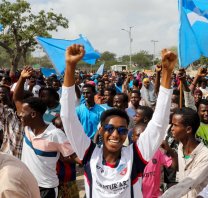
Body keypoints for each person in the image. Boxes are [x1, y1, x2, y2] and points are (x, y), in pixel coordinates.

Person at [60, 44, 175, 197]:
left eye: (121, 130)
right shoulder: (89, 153)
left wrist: (167, 74)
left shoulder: (135, 155)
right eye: (109, 128)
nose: (115, 134)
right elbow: (67, 118)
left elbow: (159, 125)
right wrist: (70, 65)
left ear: (126, 132)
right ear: (101, 130)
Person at [13, 66, 75, 198]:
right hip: (25, 186)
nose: (20, 115)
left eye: (23, 113)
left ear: (34, 114)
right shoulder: (27, 128)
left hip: (46, 190)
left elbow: (76, 157)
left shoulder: (56, 134)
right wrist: (22, 78)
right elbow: (17, 99)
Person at [162, 107, 208, 198]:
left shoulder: (205, 156)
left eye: (175, 125)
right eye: (172, 124)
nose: (172, 129)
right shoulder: (180, 147)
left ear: (188, 129)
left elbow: (188, 183)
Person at [131, 123, 176, 198]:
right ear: (132, 137)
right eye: (138, 135)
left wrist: (169, 150)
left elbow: (173, 166)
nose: (142, 138)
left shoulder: (156, 151)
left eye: (145, 135)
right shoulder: (128, 154)